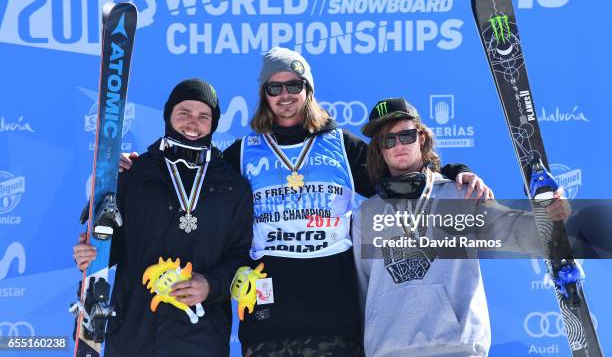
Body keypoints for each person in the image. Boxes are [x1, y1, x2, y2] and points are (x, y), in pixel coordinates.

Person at [118, 48, 494, 355]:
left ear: (308, 90)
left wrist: (455, 170)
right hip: (266, 320)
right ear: (264, 95)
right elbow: (192, 175)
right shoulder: (243, 153)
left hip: (336, 321)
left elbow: (400, 169)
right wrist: (138, 166)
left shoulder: (340, 146)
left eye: (294, 85)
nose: (284, 95)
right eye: (274, 87)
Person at [352, 97, 570, 357]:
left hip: (456, 349)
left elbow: (527, 235)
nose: (398, 145)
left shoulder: (460, 197)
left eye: (406, 136)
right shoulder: (366, 214)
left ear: (421, 138)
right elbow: (360, 293)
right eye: (388, 140)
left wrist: (551, 211)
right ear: (380, 149)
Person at [73, 78, 253, 356]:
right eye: (184, 113)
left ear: (214, 124)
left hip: (202, 336)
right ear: (168, 115)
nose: (193, 124)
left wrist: (211, 285)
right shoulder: (135, 173)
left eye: (203, 116)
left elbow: (243, 256)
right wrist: (91, 253)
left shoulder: (232, 186)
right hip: (136, 332)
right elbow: (110, 245)